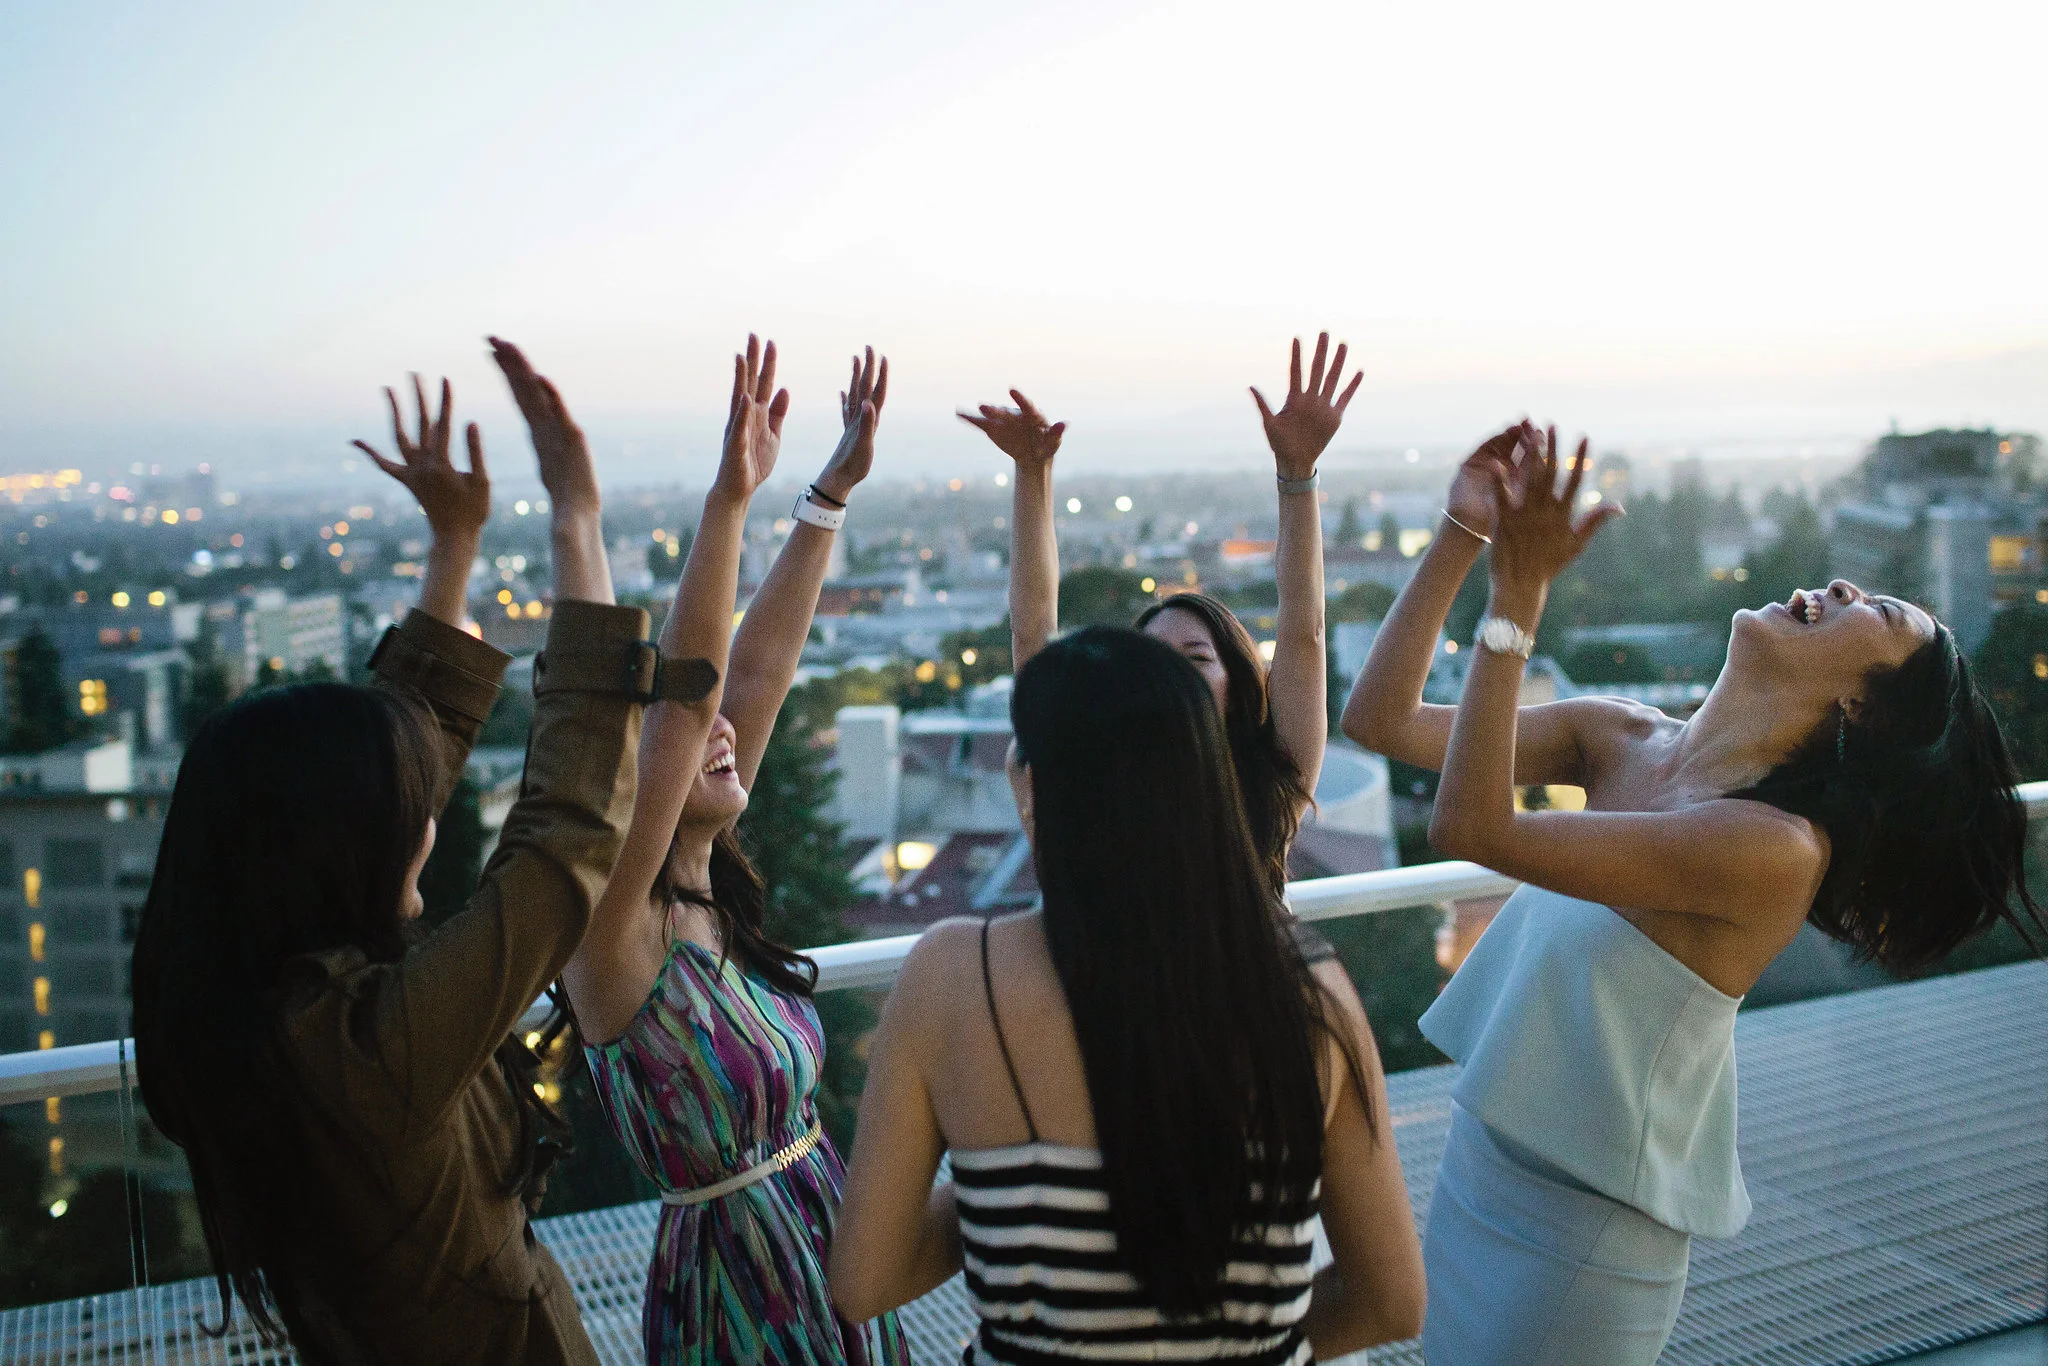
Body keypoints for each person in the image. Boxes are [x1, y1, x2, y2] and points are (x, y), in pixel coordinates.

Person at [1343, 423, 2047, 1365]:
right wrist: (1462, 536)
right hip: (1482, 1166)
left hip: (1583, 1244)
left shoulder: (1773, 848)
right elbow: (1379, 719)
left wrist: (1520, 594)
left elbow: (1470, 830)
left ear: (1860, 709)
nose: (1841, 586)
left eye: (1874, 612)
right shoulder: (1615, 732)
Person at [131, 342, 711, 1364]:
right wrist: (577, 517)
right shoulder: (372, 1053)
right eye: (402, 809)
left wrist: (456, 545)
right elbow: (562, 840)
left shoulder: (259, 1019)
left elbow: (405, 751)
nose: (429, 810)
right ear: (344, 851)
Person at [828, 627, 1426, 1363]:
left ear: (1035, 783)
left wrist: (1002, 1179)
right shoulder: (1304, 977)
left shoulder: (953, 974)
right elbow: (1392, 1301)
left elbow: (863, 1282)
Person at [563, 340, 911, 1365]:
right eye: (687, 732)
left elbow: (751, 675)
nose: (724, 730)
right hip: (736, 1298)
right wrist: (728, 501)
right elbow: (692, 704)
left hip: (830, 1257)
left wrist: (826, 495)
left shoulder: (709, 898)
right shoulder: (612, 932)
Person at [963, 334, 1361, 893]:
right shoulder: (1088, 792)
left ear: (1238, 687)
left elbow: (1304, 631)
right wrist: (1034, 474)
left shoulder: (1266, 793)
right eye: (1156, 658)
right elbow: (1033, 633)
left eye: (1196, 657)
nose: (1172, 673)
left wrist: (1298, 473)